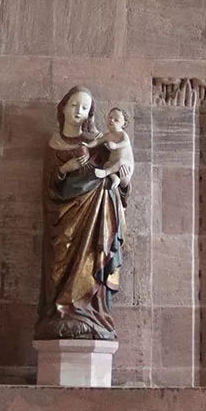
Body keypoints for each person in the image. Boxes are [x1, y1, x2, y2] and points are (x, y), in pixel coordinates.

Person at [35, 86, 131, 342]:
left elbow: (117, 171)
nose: (79, 111)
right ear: (63, 107)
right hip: (63, 216)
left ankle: (90, 311)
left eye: (85, 107)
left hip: (96, 219)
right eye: (74, 105)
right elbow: (48, 187)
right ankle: (60, 311)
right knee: (60, 258)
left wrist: (122, 183)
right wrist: (64, 168)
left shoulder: (98, 142)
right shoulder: (54, 144)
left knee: (102, 190)